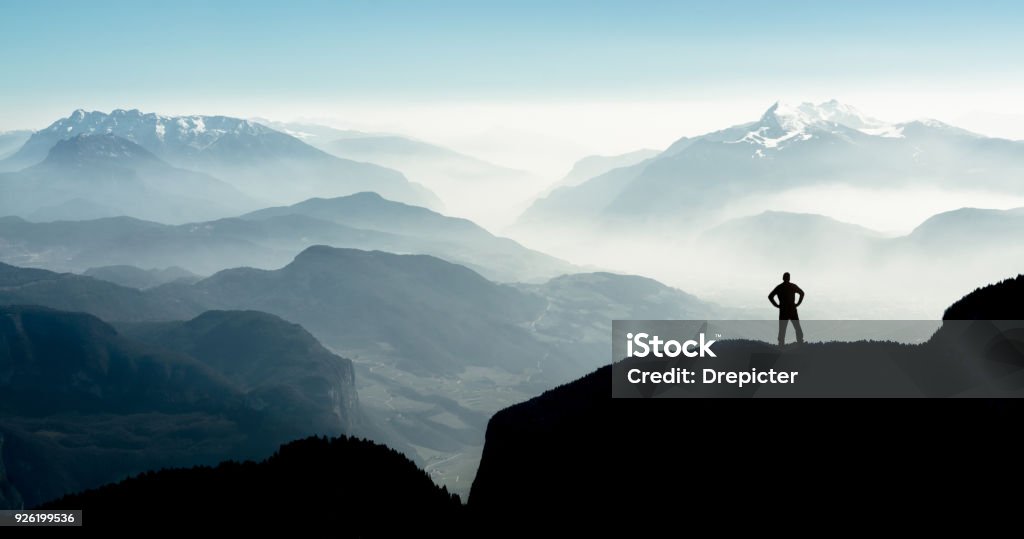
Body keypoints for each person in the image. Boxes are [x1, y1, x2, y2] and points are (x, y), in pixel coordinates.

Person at [768, 272, 804, 346]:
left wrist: (776, 305)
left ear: (783, 278)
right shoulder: (792, 286)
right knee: (797, 327)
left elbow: (770, 296)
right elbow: (802, 293)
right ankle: (800, 343)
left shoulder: (779, 287)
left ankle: (781, 345)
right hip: (792, 310)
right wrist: (798, 303)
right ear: (789, 278)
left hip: (784, 311)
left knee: (782, 329)